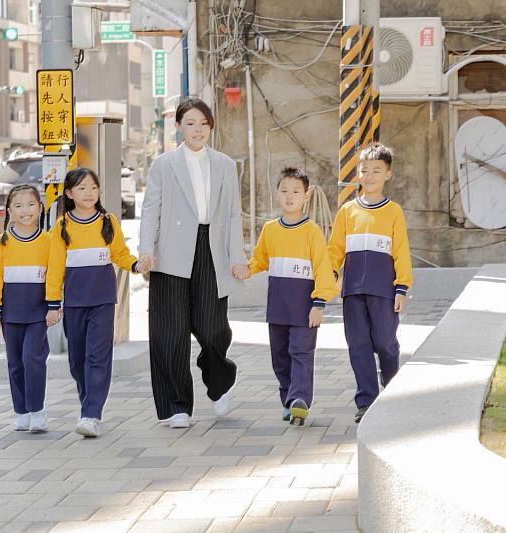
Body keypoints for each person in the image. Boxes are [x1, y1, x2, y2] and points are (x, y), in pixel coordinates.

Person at [137, 97, 248, 429]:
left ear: (211, 126)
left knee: (214, 329)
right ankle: (176, 405)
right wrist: (146, 250)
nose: (197, 130)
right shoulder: (163, 165)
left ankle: (219, 384)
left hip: (211, 250)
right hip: (170, 253)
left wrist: (237, 257)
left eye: (203, 124)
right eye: (190, 123)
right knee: (169, 334)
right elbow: (150, 211)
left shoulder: (226, 165)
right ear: (178, 127)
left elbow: (232, 214)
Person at [46, 168, 139, 438]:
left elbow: (120, 254)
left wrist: (135, 265)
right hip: (74, 302)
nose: (89, 193)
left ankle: (91, 413)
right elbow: (55, 269)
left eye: (94, 188)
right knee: (77, 361)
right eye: (82, 188)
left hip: (102, 300)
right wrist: (53, 304)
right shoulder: (62, 226)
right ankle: (89, 402)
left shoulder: (107, 221)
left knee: (98, 357)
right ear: (69, 193)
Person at [328, 143, 413, 424]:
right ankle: (366, 400)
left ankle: (392, 386)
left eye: (377, 171)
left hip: (384, 291)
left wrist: (401, 286)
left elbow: (400, 250)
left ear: (387, 174)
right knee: (359, 345)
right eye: (364, 170)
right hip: (352, 292)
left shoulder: (394, 212)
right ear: (358, 174)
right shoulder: (347, 212)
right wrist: (330, 277)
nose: (370, 176)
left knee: (385, 343)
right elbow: (335, 250)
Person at [247, 167, 338, 426]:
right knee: (280, 357)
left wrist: (319, 303)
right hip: (277, 308)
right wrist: (245, 269)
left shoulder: (312, 232)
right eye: (284, 190)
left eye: (296, 191)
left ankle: (299, 400)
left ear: (306, 196)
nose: (290, 196)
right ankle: (288, 399)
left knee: (301, 352)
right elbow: (259, 260)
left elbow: (323, 268)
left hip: (304, 308)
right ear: (277, 193)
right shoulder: (270, 229)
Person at [0, 184, 51, 433]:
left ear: (40, 207)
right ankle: (22, 411)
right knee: (15, 362)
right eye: (18, 205)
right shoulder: (2, 243)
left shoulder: (47, 241)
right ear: (9, 211)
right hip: (10, 313)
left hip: (38, 312)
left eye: (31, 204)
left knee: (32, 359)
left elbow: (56, 274)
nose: (25, 210)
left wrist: (55, 304)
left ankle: (38, 411)